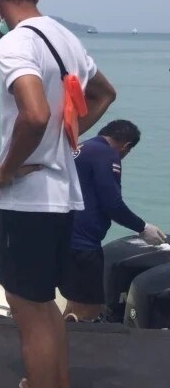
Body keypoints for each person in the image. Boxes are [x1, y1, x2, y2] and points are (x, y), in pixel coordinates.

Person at [0, 0, 116, 388]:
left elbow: (34, 114)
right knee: (43, 305)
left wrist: (7, 170)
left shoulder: (15, 44)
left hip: (29, 196)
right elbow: (104, 94)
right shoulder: (67, 39)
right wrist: (65, 139)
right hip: (63, 196)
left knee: (27, 307)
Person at [61, 120, 167, 322]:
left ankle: (57, 345)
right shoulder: (107, 154)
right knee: (90, 309)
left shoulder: (81, 148)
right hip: (83, 244)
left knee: (74, 304)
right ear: (126, 146)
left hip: (63, 236)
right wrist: (143, 228)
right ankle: (72, 350)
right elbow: (112, 203)